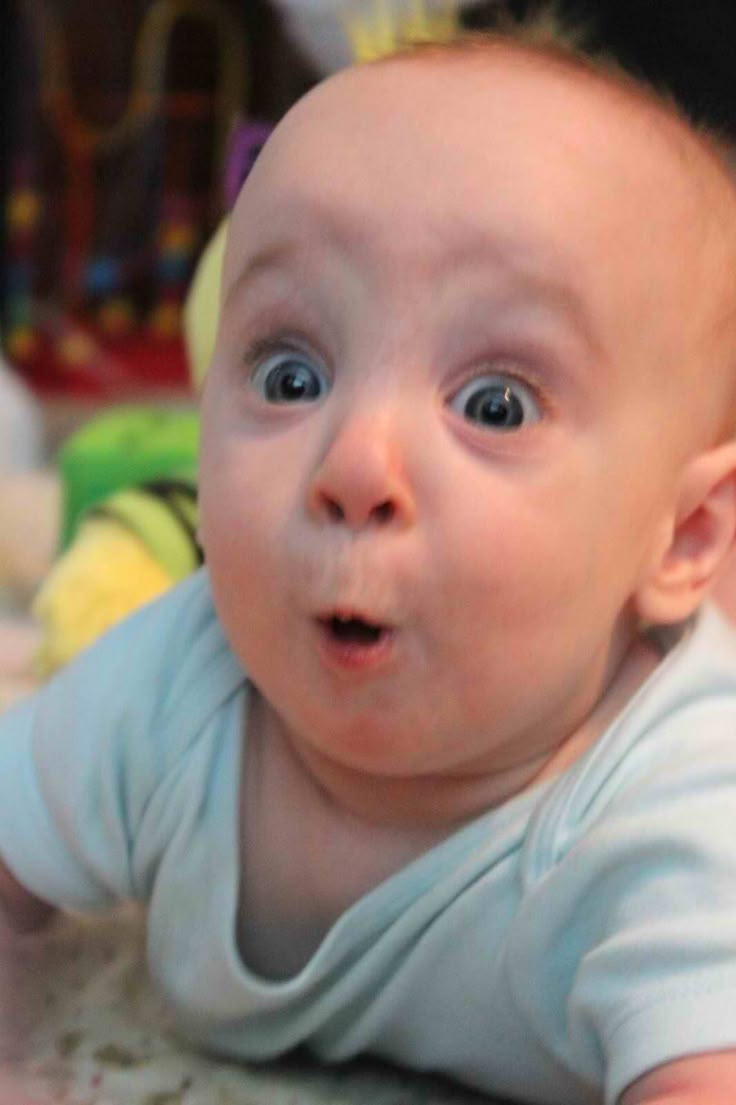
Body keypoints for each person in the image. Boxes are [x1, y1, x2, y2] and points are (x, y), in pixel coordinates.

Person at [2, 29, 736, 1105]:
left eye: (493, 405)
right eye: (291, 373)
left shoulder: (675, 808)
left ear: (678, 540)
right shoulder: (180, 680)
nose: (351, 463)